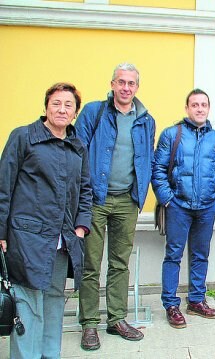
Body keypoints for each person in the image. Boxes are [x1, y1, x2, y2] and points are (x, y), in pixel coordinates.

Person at [0, 82, 92, 358]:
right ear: (46, 107)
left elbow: (86, 190)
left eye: (68, 105)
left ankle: (50, 354)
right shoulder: (23, 137)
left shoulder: (78, 147)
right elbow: (4, 187)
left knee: (53, 301)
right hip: (26, 238)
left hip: (63, 240)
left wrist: (80, 227)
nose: (62, 109)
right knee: (27, 303)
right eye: (56, 103)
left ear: (75, 112)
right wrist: (1, 232)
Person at [75, 63, 156, 350]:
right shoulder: (94, 112)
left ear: (137, 87)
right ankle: (88, 324)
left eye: (131, 83)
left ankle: (116, 319)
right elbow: (77, 153)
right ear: (112, 84)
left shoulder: (146, 119)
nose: (125, 87)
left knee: (120, 263)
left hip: (127, 200)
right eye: (121, 82)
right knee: (90, 264)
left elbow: (148, 157)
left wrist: (142, 194)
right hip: (95, 199)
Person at [152, 89, 215, 329]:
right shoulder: (171, 134)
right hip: (179, 206)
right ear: (187, 108)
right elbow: (158, 169)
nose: (199, 108)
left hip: (207, 207)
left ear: (208, 108)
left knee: (200, 255)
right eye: (194, 104)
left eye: (203, 105)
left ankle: (196, 300)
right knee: (173, 255)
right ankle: (171, 304)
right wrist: (167, 199)